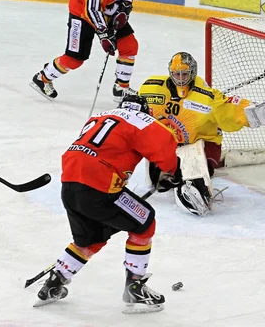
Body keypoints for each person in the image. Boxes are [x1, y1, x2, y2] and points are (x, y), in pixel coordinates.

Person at [34, 95, 180, 314]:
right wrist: (172, 170)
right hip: (100, 187)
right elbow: (165, 143)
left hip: (69, 186)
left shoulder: (101, 116)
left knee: (92, 237)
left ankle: (54, 283)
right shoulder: (139, 117)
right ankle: (135, 287)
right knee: (145, 220)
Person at [138, 52, 265, 213]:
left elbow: (230, 110)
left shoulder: (207, 98)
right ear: (170, 73)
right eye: (177, 74)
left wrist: (258, 113)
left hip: (200, 146)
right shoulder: (151, 89)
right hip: (170, 143)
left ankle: (189, 178)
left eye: (185, 74)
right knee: (157, 182)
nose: (181, 78)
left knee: (195, 191)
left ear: (193, 73)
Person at [30, 0, 138, 102]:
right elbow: (91, 9)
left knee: (130, 46)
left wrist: (125, 8)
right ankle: (42, 78)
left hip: (109, 11)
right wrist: (104, 35)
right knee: (75, 59)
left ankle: (121, 88)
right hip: (82, 14)